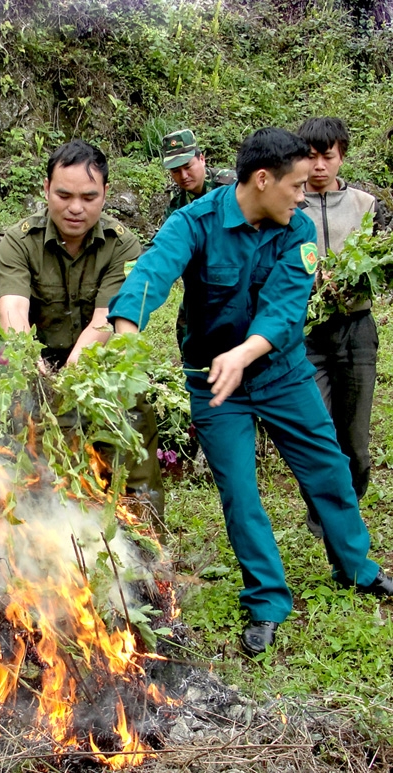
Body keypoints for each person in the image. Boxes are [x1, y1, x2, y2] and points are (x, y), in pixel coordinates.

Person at [107, 127, 393, 656]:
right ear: (263, 180)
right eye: (296, 185)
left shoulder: (298, 231)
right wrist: (126, 333)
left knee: (328, 468)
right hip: (216, 386)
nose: (303, 195)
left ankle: (356, 567)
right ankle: (266, 600)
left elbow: (285, 311)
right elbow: (153, 272)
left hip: (280, 374)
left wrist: (242, 355)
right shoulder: (196, 221)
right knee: (240, 492)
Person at [0, 139, 164, 515]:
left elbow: (106, 321)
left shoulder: (123, 245)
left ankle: (145, 547)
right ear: (46, 190)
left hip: (99, 365)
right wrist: (36, 372)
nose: (75, 208)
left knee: (132, 433)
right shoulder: (19, 241)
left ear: (105, 193)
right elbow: (13, 309)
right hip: (35, 367)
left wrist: (68, 383)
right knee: (31, 464)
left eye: (89, 197)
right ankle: (37, 548)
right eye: (64, 194)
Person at [297, 117, 385, 538]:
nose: (317, 166)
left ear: (341, 156)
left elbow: (381, 262)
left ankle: (350, 504)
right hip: (308, 332)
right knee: (319, 431)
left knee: (355, 442)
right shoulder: (290, 205)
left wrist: (353, 279)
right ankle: (326, 520)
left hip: (357, 329)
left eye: (326, 157)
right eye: (310, 157)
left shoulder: (366, 205)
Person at [161, 129, 236, 352]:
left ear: (201, 159)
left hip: (235, 280)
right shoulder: (177, 202)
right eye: (176, 171)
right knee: (188, 338)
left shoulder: (231, 186)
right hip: (199, 284)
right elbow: (166, 241)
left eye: (188, 167)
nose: (183, 176)